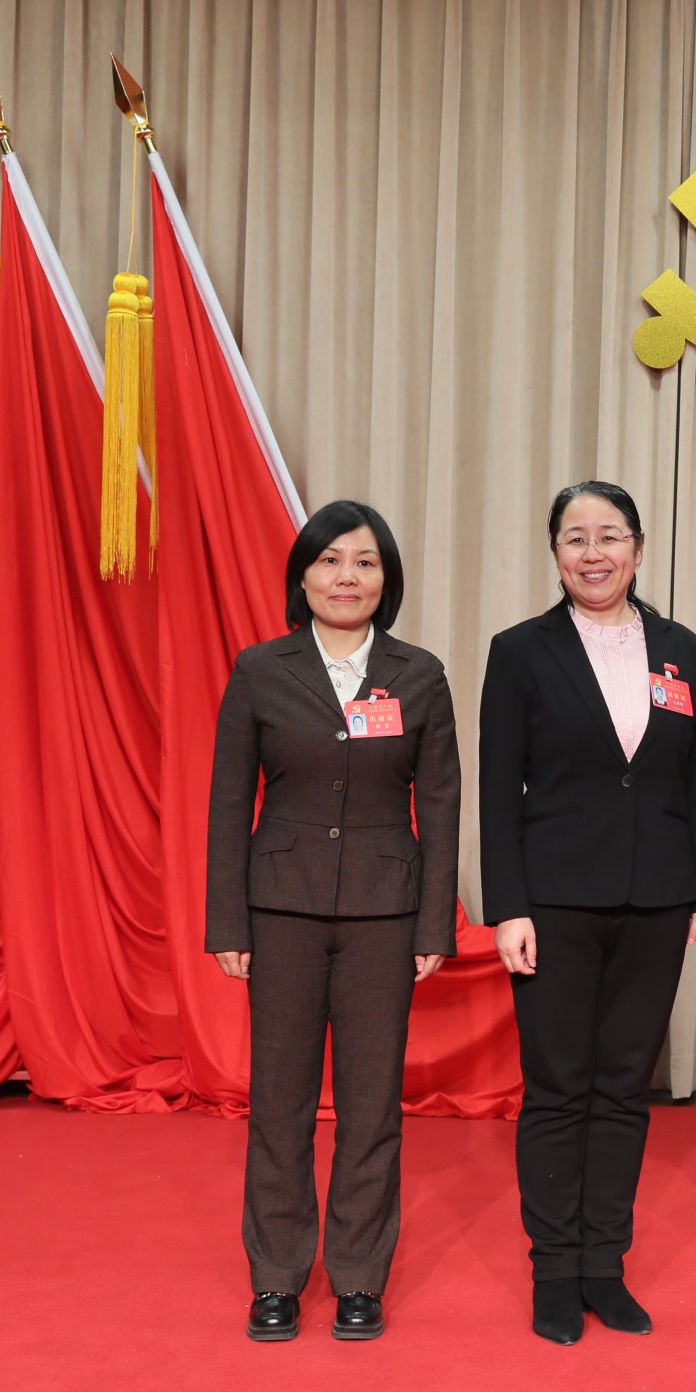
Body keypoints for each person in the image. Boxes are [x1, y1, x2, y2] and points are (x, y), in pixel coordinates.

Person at [205, 500, 461, 1344]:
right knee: (279, 1102)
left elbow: (442, 803)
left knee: (371, 1102)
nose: (347, 576)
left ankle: (357, 1275)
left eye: (365, 561)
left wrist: (434, 926)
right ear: (303, 576)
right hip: (280, 908)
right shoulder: (260, 669)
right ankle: (276, 1276)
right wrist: (227, 920)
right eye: (330, 560)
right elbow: (229, 800)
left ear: (387, 579)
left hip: (386, 915)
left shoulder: (419, 674)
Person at [480, 481, 696, 1346]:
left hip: (658, 897)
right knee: (557, 1088)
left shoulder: (682, 649)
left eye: (610, 535)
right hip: (553, 901)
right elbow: (498, 790)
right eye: (576, 537)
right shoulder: (521, 650)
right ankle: (554, 1268)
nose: (594, 552)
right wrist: (507, 906)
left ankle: (604, 1264)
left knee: (624, 1087)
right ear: (556, 553)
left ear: (638, 548)